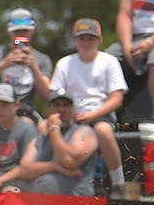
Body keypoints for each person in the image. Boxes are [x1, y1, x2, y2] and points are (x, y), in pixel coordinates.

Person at [51, 18, 127, 194]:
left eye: (90, 38)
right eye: (82, 38)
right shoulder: (64, 63)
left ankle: (118, 183)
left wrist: (93, 115)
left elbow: (117, 99)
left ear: (99, 40)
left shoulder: (109, 61)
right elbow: (54, 96)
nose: (86, 42)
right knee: (44, 127)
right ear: (75, 40)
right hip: (69, 114)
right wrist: (66, 114)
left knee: (104, 131)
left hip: (100, 114)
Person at [0, 8, 52, 119]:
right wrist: (5, 64)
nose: (21, 35)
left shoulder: (42, 59)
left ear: (33, 30)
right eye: (17, 31)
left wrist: (33, 66)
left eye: (25, 31)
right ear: (9, 30)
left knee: (27, 124)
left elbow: (47, 95)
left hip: (24, 111)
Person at [19, 90, 97, 196]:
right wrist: (55, 166)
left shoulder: (85, 132)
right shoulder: (40, 140)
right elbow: (24, 170)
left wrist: (53, 129)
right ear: (48, 110)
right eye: (56, 106)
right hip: (43, 203)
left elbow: (69, 162)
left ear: (73, 110)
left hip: (77, 204)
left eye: (66, 106)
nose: (61, 110)